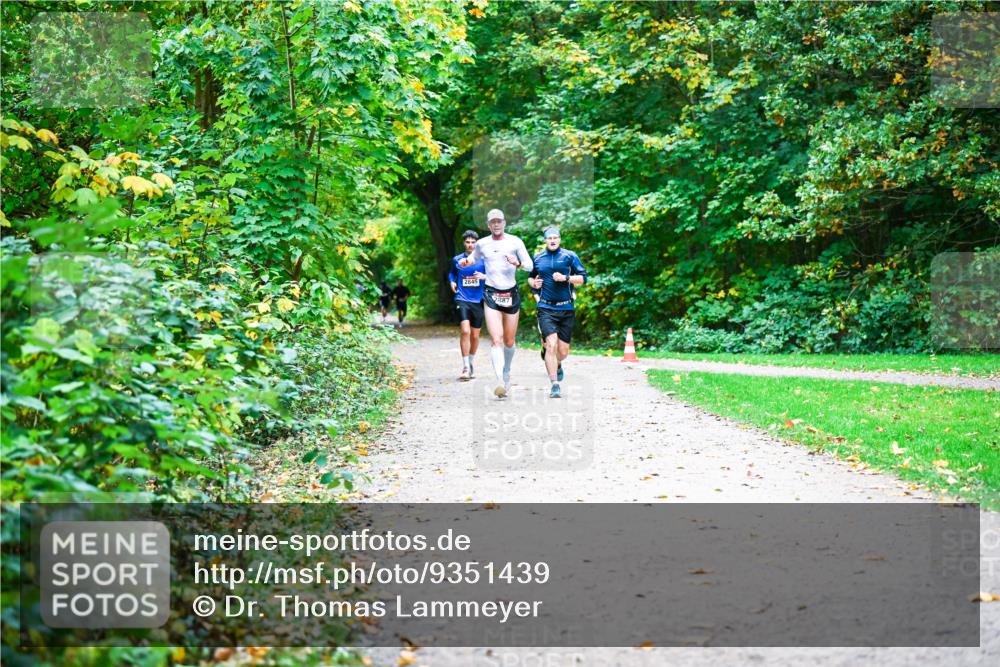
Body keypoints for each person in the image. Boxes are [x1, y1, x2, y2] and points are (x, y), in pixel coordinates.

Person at [459, 209, 533, 398]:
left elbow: (530, 265)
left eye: (499, 221)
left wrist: (518, 263)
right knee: (496, 340)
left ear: (504, 223)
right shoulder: (482, 243)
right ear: (488, 225)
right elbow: (474, 257)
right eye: (493, 222)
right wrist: (467, 262)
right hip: (491, 293)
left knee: (509, 341)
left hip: (511, 293)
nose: (496, 224)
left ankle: (506, 371)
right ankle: (499, 379)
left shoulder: (515, 242)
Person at [528, 226, 587, 398]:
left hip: (566, 308)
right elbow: (531, 278)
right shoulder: (538, 258)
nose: (552, 240)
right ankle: (554, 384)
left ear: (560, 239)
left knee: (562, 352)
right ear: (545, 240)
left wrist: (566, 278)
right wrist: (534, 283)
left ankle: (558, 363)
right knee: (551, 345)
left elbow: (583, 278)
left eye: (555, 237)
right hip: (546, 308)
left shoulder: (570, 256)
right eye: (549, 238)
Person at [449, 230, 487, 381]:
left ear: (477, 243)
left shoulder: (484, 259)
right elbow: (452, 273)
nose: (470, 245)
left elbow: (494, 275)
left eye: (473, 242)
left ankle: (470, 362)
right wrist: (452, 282)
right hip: (462, 298)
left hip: (479, 300)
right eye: (467, 242)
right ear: (464, 243)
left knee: (475, 335)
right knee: (465, 331)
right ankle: (465, 366)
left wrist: (484, 277)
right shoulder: (457, 259)